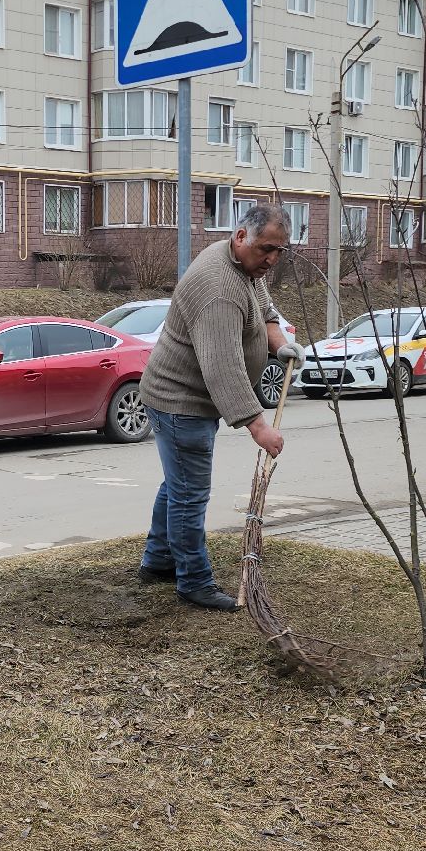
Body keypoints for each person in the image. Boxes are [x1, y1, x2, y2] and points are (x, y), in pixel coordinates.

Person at [137, 203, 299, 611]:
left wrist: (278, 342)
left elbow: (264, 307)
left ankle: (157, 561)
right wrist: (259, 427)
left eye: (280, 251)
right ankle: (193, 581)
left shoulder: (244, 266)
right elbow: (222, 368)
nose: (272, 260)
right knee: (190, 494)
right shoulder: (219, 289)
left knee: (178, 485)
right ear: (241, 236)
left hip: (184, 398)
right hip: (182, 402)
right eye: (267, 249)